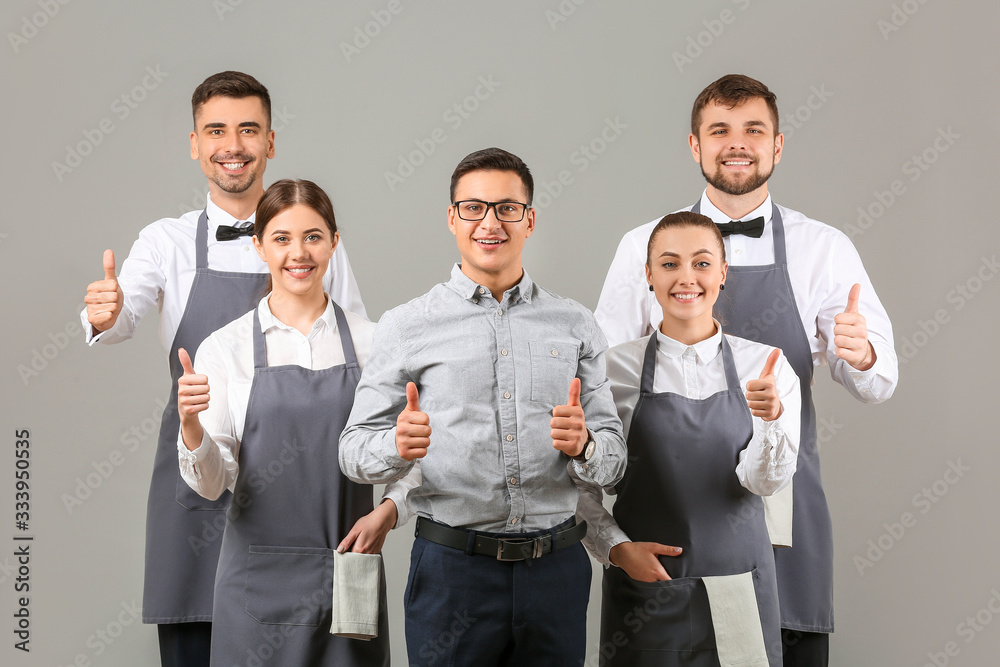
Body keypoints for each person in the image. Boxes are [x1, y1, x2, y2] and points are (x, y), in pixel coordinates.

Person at [594, 74, 898, 665]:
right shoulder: (643, 246)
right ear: (694, 145)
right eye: (720, 131)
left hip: (787, 499)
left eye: (753, 130)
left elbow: (879, 381)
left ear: (777, 145)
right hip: (676, 516)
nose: (737, 144)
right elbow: (603, 375)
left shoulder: (823, 247)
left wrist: (859, 352)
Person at [81, 71, 366, 666]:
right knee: (194, 645)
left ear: (269, 142)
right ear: (194, 143)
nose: (232, 145)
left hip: (303, 495)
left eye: (248, 129)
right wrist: (105, 315)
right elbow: (126, 310)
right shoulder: (166, 241)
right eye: (216, 130)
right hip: (199, 472)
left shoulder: (308, 240)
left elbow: (359, 357)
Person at [339, 147, 626, 666]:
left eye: (506, 208)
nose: (489, 222)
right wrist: (395, 447)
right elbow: (353, 450)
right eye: (473, 208)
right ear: (452, 218)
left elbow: (614, 459)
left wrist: (585, 445)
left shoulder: (575, 324)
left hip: (556, 575)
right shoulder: (407, 326)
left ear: (529, 219)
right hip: (452, 575)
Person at [176, 179, 391, 665]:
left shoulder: (373, 344)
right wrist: (191, 426)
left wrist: (390, 510)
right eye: (281, 238)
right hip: (256, 584)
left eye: (313, 236)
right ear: (259, 246)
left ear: (335, 242)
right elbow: (212, 486)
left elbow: (409, 454)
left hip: (348, 572)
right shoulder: (224, 348)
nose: (299, 253)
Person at [578, 212, 799, 666]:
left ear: (722, 273)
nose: (686, 278)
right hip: (649, 591)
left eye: (701, 263)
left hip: (740, 582)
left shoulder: (768, 368)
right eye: (669, 264)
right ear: (649, 276)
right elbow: (575, 488)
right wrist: (617, 550)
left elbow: (764, 484)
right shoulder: (609, 372)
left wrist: (771, 419)